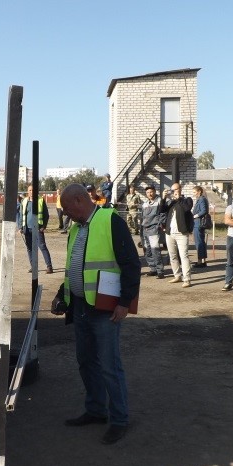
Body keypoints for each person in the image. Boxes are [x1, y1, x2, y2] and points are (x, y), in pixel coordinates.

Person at [51, 183, 141, 445]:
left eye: (67, 209)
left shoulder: (110, 221)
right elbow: (73, 268)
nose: (66, 214)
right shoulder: (76, 229)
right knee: (86, 361)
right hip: (80, 306)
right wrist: (62, 295)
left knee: (109, 366)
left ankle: (119, 419)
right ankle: (96, 410)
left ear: (80, 200)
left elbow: (131, 264)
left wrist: (124, 302)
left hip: (105, 309)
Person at [161, 182, 194, 288]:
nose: (173, 192)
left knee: (184, 256)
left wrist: (179, 198)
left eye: (175, 189)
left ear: (180, 189)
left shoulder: (187, 200)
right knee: (172, 255)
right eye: (172, 190)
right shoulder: (171, 202)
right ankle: (177, 276)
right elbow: (161, 210)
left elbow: (186, 209)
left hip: (182, 233)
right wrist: (163, 198)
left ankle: (187, 279)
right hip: (170, 233)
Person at [18, 185, 54, 274]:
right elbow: (21, 215)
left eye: (33, 190)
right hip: (27, 229)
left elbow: (46, 215)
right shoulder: (24, 201)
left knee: (42, 247)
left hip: (37, 229)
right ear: (28, 191)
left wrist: (43, 227)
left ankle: (49, 267)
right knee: (30, 249)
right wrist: (20, 227)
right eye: (30, 190)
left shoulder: (41, 200)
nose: (31, 192)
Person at [140, 185, 165, 278]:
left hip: (154, 228)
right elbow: (142, 216)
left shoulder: (160, 201)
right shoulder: (145, 203)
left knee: (155, 250)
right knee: (147, 250)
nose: (149, 194)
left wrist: (160, 224)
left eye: (151, 192)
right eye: (147, 192)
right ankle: (153, 269)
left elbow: (163, 213)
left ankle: (160, 271)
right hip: (145, 229)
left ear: (154, 192)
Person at [191, 185, 209, 267]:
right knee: (201, 242)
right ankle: (203, 260)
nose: (194, 194)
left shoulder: (201, 199)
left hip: (198, 223)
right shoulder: (201, 199)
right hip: (199, 223)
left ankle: (200, 262)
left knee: (199, 243)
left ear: (199, 192)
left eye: (194, 192)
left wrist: (195, 216)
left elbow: (204, 211)